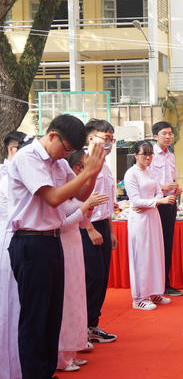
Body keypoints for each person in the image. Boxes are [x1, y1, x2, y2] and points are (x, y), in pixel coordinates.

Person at [7, 114, 105, 379]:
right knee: (36, 316)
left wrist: (91, 173)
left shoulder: (55, 161)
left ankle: (47, 371)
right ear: (52, 136)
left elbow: (80, 194)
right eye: (66, 149)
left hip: (51, 241)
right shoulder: (28, 158)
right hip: (30, 242)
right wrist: (89, 171)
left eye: (71, 152)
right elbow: (52, 197)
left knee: (52, 316)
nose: (66, 156)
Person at [58, 151, 110, 372]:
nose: (80, 171)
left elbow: (80, 222)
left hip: (75, 247)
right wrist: (83, 207)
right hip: (62, 247)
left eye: (83, 167)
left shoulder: (75, 192)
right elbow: (62, 223)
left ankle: (72, 351)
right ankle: (61, 356)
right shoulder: (59, 191)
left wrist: (88, 208)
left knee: (76, 297)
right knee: (65, 300)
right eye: (78, 166)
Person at [125, 140, 176, 310]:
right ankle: (139, 297)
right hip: (139, 219)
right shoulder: (131, 173)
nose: (148, 157)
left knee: (156, 253)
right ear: (135, 155)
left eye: (150, 154)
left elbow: (159, 192)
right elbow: (135, 201)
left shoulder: (151, 172)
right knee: (141, 256)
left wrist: (154, 201)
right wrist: (158, 201)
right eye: (144, 154)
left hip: (153, 215)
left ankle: (155, 292)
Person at [80, 119, 118, 345]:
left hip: (103, 224)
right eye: (106, 138)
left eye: (112, 139)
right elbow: (78, 200)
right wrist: (91, 229)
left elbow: (106, 204)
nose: (110, 143)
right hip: (86, 226)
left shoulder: (105, 165)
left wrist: (110, 230)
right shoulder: (83, 162)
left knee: (102, 278)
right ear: (91, 138)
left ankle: (92, 325)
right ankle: (81, 327)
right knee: (91, 278)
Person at [0, 131, 29, 379]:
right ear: (13, 150)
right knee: (9, 303)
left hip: (21, 238)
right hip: (8, 238)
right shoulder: (5, 176)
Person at [149, 121, 183, 297]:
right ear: (155, 136)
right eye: (164, 133)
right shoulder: (149, 155)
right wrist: (162, 188)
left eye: (170, 133)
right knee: (155, 244)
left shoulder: (171, 156)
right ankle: (153, 285)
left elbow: (174, 179)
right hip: (155, 204)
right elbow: (146, 183)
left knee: (167, 243)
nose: (168, 137)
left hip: (170, 203)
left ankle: (165, 283)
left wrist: (176, 189)